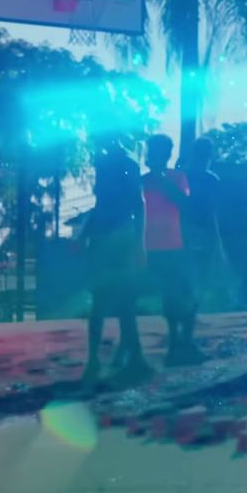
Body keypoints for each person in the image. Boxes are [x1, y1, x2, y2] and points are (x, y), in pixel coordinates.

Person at [79, 136, 152, 387]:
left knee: (117, 300)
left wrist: (140, 243)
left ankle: (118, 358)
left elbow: (137, 204)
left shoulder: (121, 163)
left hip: (117, 238)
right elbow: (108, 204)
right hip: (109, 236)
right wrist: (84, 233)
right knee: (110, 300)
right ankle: (104, 359)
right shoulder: (111, 161)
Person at [142, 134, 207, 366]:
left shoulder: (177, 178)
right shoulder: (143, 181)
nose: (154, 155)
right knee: (169, 299)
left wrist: (159, 177)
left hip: (176, 246)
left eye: (159, 151)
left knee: (189, 296)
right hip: (152, 249)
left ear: (167, 154)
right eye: (152, 150)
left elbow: (184, 202)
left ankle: (185, 343)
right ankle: (174, 347)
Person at [182, 137, 231, 309]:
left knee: (195, 268)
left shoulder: (188, 176)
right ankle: (193, 304)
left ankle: (191, 304)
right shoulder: (209, 178)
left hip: (191, 227)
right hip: (198, 227)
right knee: (200, 268)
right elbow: (213, 208)